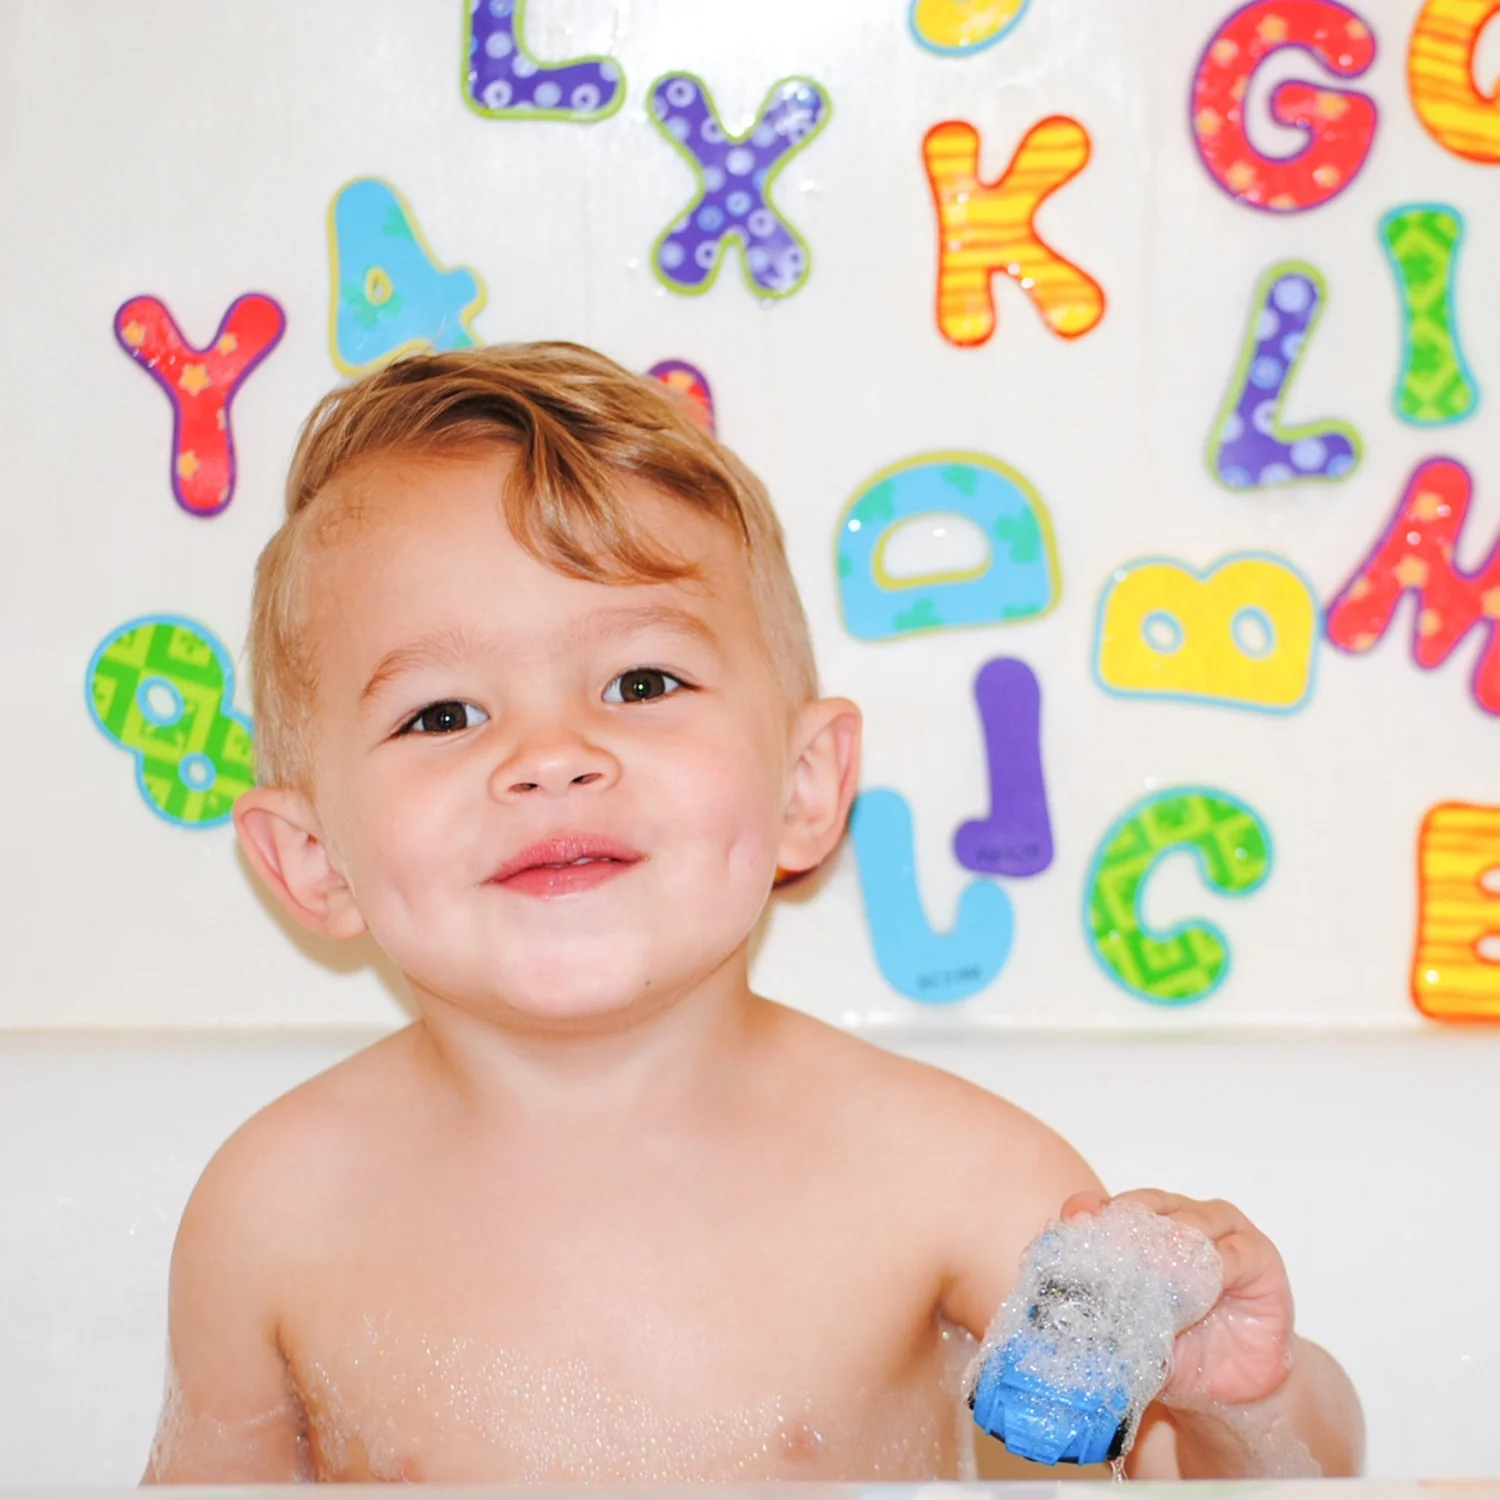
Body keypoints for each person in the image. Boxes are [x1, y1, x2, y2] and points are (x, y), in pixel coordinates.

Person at [144, 342, 1363, 1482]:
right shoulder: (273, 1212)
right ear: (313, 860)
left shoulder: (945, 1177)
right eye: (444, 714)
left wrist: (1235, 1403)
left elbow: (1216, 1489)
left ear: (803, 787)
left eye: (641, 682)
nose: (551, 756)